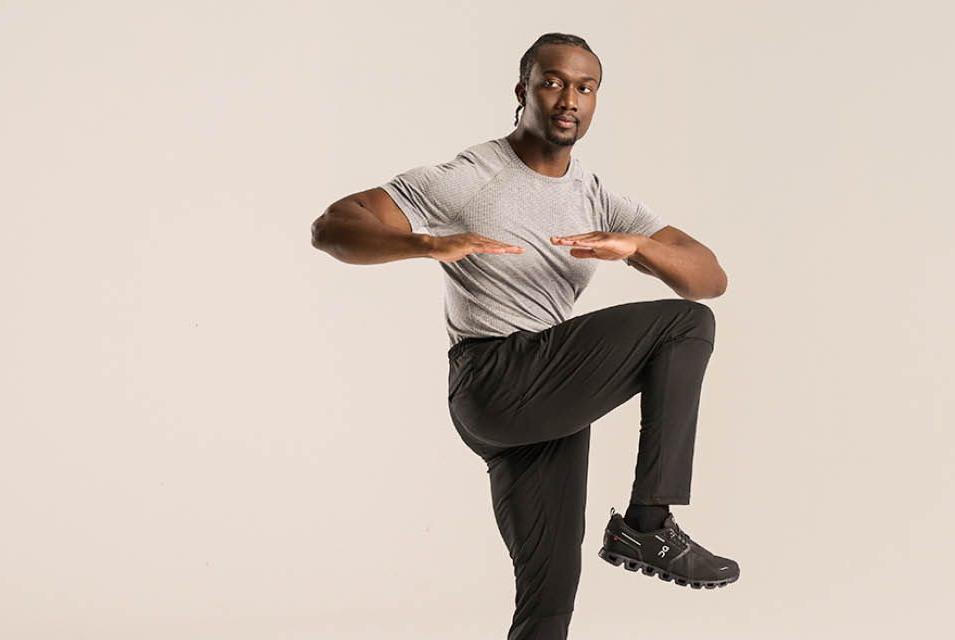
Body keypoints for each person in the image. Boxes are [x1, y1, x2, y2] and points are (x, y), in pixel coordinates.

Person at [311, 32, 739, 640]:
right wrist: (428, 243)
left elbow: (710, 277)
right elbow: (333, 227)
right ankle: (647, 524)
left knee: (549, 600)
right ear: (524, 90)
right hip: (495, 375)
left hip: (548, 402)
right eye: (553, 81)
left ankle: (633, 537)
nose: (569, 99)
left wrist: (639, 247)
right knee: (683, 327)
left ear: (596, 101)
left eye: (585, 88)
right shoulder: (473, 176)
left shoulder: (596, 197)